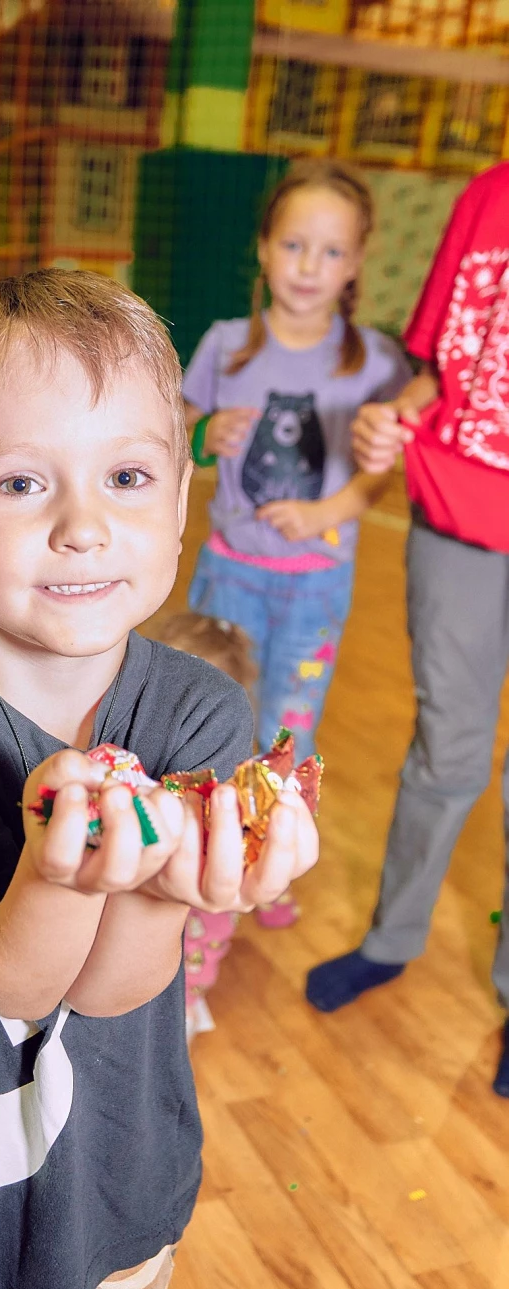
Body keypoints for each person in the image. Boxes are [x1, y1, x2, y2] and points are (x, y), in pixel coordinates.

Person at [0, 269, 318, 1289]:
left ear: (183, 503)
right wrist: (65, 868)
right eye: (19, 485)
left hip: (115, 1184)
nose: (84, 528)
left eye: (130, 476)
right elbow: (4, 979)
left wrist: (172, 891)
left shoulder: (202, 707)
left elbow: (108, 994)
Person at [304, 162, 509, 1097]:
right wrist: (395, 424)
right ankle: (391, 940)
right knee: (448, 747)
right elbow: (439, 374)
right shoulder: (486, 197)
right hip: (457, 516)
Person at [182, 160, 410, 926]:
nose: (310, 267)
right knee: (214, 717)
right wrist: (208, 433)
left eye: (332, 251)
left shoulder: (374, 361)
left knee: (288, 726)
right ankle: (198, 860)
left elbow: (380, 472)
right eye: (294, 245)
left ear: (355, 263)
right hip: (230, 574)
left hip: (314, 585)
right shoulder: (225, 346)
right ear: (263, 248)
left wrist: (329, 510)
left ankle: (265, 869)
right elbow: (170, 433)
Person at [152, 613, 258, 1041]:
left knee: (196, 952)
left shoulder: (237, 766)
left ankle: (187, 1006)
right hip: (146, 882)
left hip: (205, 890)